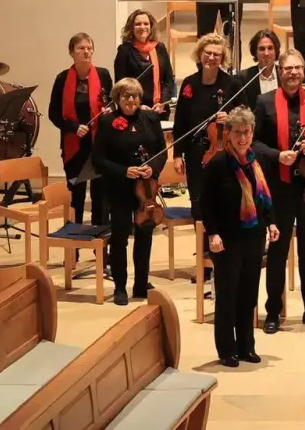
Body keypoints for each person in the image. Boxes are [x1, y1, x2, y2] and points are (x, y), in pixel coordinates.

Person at [251, 51, 305, 332]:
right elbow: (254, 144)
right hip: (280, 186)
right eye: (288, 68)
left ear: (304, 70)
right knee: (278, 249)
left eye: (298, 68)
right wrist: (278, 156)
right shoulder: (264, 103)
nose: (293, 73)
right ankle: (274, 311)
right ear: (279, 70)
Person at [200, 107, 280, 367]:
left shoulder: (256, 162)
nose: (242, 138)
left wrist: (272, 223)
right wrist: (212, 233)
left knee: (248, 294)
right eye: (237, 132)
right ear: (228, 134)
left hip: (253, 238)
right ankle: (227, 350)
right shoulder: (217, 164)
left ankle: (247, 346)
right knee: (227, 295)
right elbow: (206, 204)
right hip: (226, 238)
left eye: (246, 132)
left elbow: (264, 199)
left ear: (252, 133)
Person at [93, 78, 167, 306]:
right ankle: (120, 286)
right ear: (117, 98)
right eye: (126, 96)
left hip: (146, 189)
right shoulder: (108, 121)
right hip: (120, 188)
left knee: (145, 235)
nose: (131, 101)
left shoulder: (151, 119)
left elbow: (162, 152)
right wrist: (125, 171)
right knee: (120, 237)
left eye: (135, 96)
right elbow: (98, 159)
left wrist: (151, 168)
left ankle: (141, 282)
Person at [47, 32, 113, 225]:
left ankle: (99, 244)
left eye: (89, 48)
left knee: (100, 197)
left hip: (99, 144)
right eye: (81, 48)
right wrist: (73, 127)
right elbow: (54, 113)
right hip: (73, 145)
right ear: (71, 53)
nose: (86, 52)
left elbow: (111, 104)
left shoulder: (103, 74)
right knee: (75, 196)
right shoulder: (62, 78)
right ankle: (73, 244)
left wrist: (110, 109)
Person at [174, 34, 238, 213]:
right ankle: (202, 240)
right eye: (207, 53)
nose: (211, 58)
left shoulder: (231, 84)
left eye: (216, 54)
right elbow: (180, 121)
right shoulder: (190, 83)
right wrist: (177, 154)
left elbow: (246, 115)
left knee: (223, 204)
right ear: (200, 54)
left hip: (225, 152)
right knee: (199, 205)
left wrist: (231, 117)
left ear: (222, 58)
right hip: (195, 153)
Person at [114, 10, 175, 113]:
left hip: (159, 109)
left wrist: (162, 103)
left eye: (146, 23)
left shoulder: (160, 48)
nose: (142, 27)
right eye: (138, 24)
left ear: (151, 27)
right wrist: (139, 106)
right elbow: (121, 85)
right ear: (131, 28)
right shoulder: (124, 51)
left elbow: (168, 79)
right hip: (134, 110)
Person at [235, 29, 281, 106]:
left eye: (270, 48)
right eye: (262, 49)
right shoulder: (243, 78)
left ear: (276, 51)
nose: (266, 53)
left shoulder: (284, 74)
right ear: (255, 52)